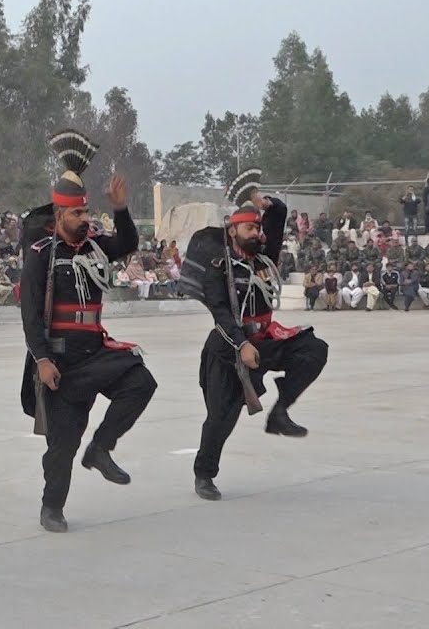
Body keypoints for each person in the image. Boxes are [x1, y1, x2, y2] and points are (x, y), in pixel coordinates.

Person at [19, 130, 157, 533]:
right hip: (60, 358)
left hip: (96, 349)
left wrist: (121, 209)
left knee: (141, 381)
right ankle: (52, 507)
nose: (84, 219)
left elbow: (128, 241)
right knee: (62, 445)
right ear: (59, 216)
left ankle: (101, 448)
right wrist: (42, 359)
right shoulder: (42, 255)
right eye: (77, 215)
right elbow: (29, 315)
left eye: (86, 213)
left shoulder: (95, 247)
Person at [181, 169, 329, 501]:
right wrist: (241, 343)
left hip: (265, 340)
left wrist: (261, 202)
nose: (257, 232)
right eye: (250, 227)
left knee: (314, 350)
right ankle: (204, 474)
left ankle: (280, 412)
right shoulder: (218, 266)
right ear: (232, 231)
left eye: (257, 227)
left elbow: (277, 215)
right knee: (221, 418)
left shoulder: (264, 258)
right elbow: (219, 311)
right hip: (228, 344)